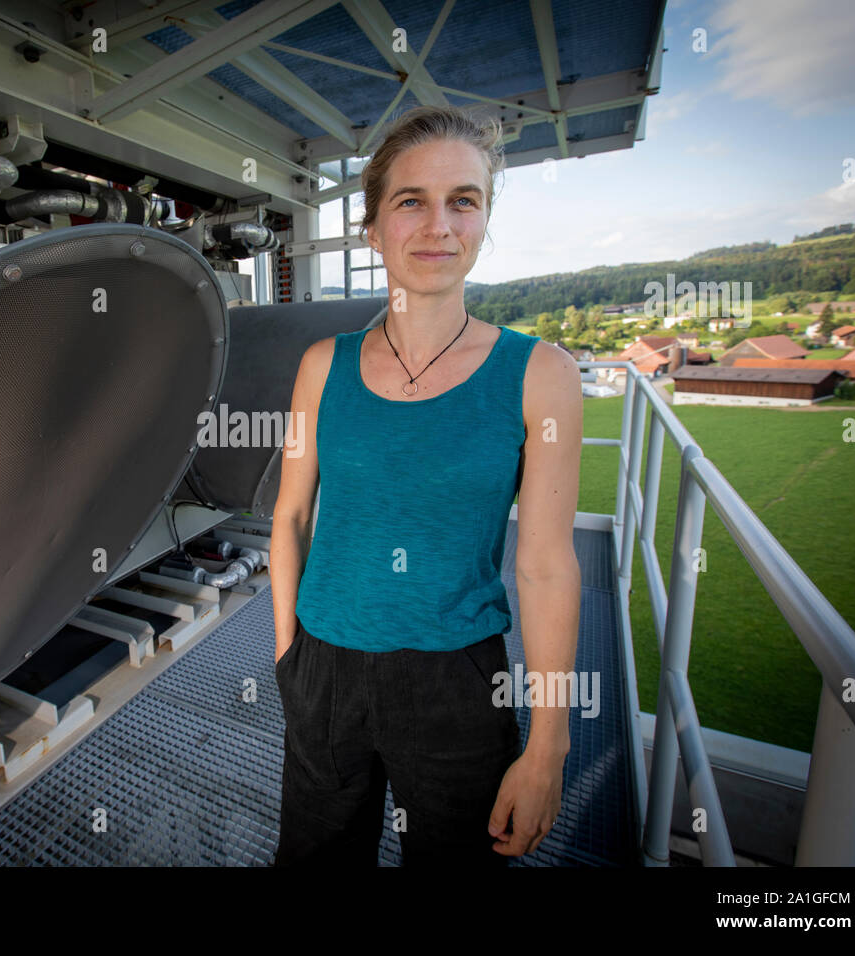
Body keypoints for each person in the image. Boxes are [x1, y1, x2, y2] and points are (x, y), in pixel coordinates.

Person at [268, 105, 581, 867]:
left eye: (463, 201)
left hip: (458, 685)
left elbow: (544, 566)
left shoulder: (541, 375)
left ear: (482, 221)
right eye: (411, 201)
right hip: (324, 669)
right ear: (373, 229)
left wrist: (548, 748)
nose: (439, 225)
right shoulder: (322, 366)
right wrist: (289, 659)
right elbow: (291, 517)